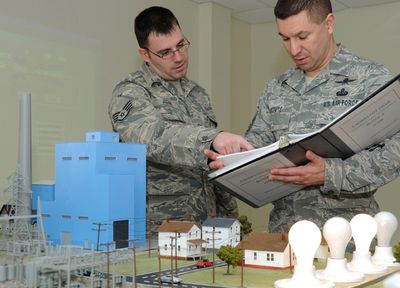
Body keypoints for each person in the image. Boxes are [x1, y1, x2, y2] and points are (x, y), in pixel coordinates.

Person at [207, 0, 399, 233]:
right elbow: (259, 145)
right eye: (285, 39)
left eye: (302, 36)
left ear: (328, 24)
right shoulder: (276, 88)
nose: (294, 49)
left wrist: (331, 174)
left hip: (349, 235)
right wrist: (234, 159)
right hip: (285, 232)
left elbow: (395, 152)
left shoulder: (371, 79)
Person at [108, 6, 252, 232]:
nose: (179, 57)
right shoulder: (130, 92)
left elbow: (212, 165)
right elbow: (149, 137)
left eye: (181, 45)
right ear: (145, 54)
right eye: (165, 52)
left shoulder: (198, 93)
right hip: (163, 229)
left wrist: (231, 221)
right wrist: (212, 138)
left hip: (209, 225)